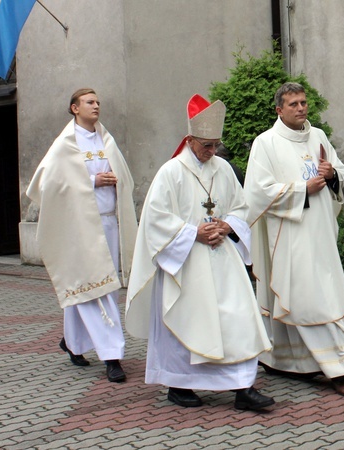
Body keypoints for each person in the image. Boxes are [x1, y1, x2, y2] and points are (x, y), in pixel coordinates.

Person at [125, 94, 274, 411]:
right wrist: (194, 232)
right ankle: (180, 385)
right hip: (186, 263)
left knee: (238, 318)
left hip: (222, 258)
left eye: (216, 145)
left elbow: (241, 206)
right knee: (189, 320)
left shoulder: (222, 168)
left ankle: (242, 387)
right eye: (206, 145)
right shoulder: (171, 172)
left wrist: (226, 225)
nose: (212, 151)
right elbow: (155, 219)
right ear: (190, 139)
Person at [245, 82, 344, 398]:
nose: (301, 108)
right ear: (279, 110)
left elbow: (338, 171)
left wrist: (330, 176)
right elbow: (257, 192)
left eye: (304, 103)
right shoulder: (266, 143)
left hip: (320, 234)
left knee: (321, 295)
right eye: (293, 104)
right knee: (308, 301)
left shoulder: (317, 136)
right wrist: (303, 189)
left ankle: (283, 359)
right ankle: (341, 367)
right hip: (290, 235)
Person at [26, 88, 137, 383]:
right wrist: (92, 180)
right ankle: (112, 356)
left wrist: (116, 182)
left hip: (107, 223)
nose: (96, 105)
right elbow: (47, 184)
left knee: (98, 285)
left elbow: (125, 176)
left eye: (98, 101)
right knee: (95, 287)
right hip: (80, 226)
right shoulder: (65, 144)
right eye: (89, 102)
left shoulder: (106, 139)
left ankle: (72, 341)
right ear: (75, 108)